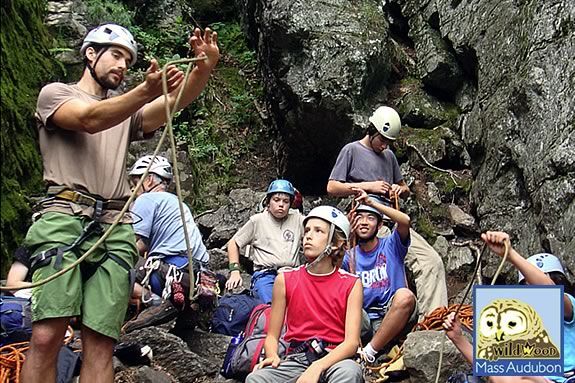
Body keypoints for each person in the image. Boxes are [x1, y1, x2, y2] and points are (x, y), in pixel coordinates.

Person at [20, 23, 219, 383]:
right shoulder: (55, 94)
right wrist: (143, 91)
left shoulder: (126, 112)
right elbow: (89, 119)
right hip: (64, 218)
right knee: (47, 334)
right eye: (115, 54)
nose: (123, 64)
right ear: (90, 54)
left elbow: (172, 104)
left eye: (128, 59)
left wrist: (203, 68)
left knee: (100, 342)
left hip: (114, 226)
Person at [327, 105, 448, 320]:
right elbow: (332, 187)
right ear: (371, 130)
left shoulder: (389, 156)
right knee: (385, 268)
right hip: (366, 220)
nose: (384, 146)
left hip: (390, 221)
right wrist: (368, 186)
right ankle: (383, 319)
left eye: (388, 142)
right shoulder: (352, 150)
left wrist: (399, 189)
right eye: (382, 140)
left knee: (431, 261)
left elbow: (405, 189)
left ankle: (433, 322)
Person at [246, 206, 364, 383]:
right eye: (307, 230)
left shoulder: (351, 284)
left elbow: (351, 343)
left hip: (336, 358)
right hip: (298, 358)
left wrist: (318, 367)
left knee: (349, 373)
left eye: (318, 231)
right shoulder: (285, 280)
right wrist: (272, 356)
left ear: (336, 243)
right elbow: (272, 336)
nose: (308, 236)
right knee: (256, 379)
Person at [443, 231, 574, 383]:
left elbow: (550, 293)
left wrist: (510, 254)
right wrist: (458, 338)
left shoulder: (567, 308)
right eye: (528, 284)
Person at [122, 155, 211, 333]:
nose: (133, 190)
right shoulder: (178, 203)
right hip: (197, 274)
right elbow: (145, 244)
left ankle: (151, 298)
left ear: (148, 180)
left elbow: (131, 242)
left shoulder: (145, 200)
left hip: (170, 272)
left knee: (115, 260)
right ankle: (186, 307)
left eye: (135, 183)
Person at [342, 190, 417, 362]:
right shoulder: (349, 256)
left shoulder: (391, 244)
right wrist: (345, 226)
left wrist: (372, 203)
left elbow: (405, 221)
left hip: (395, 313)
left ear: (380, 224)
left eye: (370, 218)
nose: (364, 222)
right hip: (366, 321)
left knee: (405, 296)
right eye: (359, 217)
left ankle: (370, 351)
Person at [225, 179, 304, 304]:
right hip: (265, 274)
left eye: (286, 201)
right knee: (269, 308)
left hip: (292, 273)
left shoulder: (298, 220)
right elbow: (233, 243)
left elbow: (316, 231)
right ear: (268, 202)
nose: (281, 205)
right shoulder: (257, 221)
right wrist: (235, 270)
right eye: (276, 200)